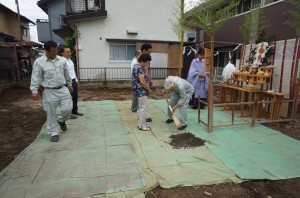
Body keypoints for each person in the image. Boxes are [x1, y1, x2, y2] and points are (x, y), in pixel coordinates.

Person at [30, 41, 73, 142]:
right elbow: (36, 76)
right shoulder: (39, 62)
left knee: (68, 109)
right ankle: (53, 132)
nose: (54, 53)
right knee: (51, 113)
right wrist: (34, 90)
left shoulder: (62, 61)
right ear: (46, 51)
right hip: (49, 91)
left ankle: (61, 120)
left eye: (55, 50)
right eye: (52, 51)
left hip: (63, 89)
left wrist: (69, 84)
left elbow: (66, 74)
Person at [131, 44, 153, 122]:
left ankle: (142, 120)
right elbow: (141, 80)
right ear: (144, 50)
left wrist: (150, 80)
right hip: (140, 88)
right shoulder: (138, 63)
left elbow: (146, 73)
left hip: (140, 87)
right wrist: (148, 89)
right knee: (141, 106)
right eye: (148, 51)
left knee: (142, 105)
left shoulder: (140, 62)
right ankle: (142, 121)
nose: (149, 53)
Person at [61, 47, 84, 117]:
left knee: (75, 97)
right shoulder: (62, 62)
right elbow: (62, 73)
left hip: (73, 80)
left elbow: (73, 71)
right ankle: (69, 113)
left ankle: (75, 111)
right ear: (63, 53)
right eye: (67, 52)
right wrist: (67, 84)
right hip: (67, 82)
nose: (69, 53)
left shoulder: (70, 61)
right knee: (68, 98)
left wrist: (76, 80)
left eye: (69, 52)